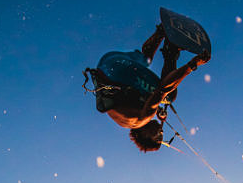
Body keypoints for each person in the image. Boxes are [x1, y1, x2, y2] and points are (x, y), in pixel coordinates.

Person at [84, 23, 210, 152]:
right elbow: (137, 97)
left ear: (143, 136)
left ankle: (171, 50)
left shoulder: (142, 119)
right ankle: (161, 31)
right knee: (145, 60)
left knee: (169, 96)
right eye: (162, 135)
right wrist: (158, 110)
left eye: (157, 137)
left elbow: (161, 90)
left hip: (118, 71)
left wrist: (193, 64)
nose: (161, 132)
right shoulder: (126, 121)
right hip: (107, 62)